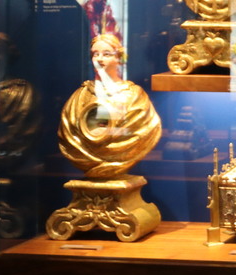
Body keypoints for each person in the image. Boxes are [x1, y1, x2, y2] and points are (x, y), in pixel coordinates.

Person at [58, 33, 162, 178]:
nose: (99, 59)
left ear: (118, 58)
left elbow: (141, 132)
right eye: (95, 54)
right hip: (84, 159)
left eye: (107, 54)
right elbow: (69, 133)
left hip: (123, 164)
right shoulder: (80, 96)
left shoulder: (135, 96)